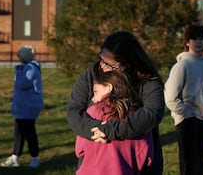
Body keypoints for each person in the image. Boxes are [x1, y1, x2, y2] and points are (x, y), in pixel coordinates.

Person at [66, 31, 165, 175]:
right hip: (96, 164)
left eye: (110, 65)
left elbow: (152, 114)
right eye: (101, 59)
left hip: (136, 164)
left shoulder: (147, 80)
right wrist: (95, 130)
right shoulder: (92, 74)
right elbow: (74, 110)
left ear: (127, 64)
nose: (103, 67)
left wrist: (112, 130)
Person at [164, 24, 203, 175]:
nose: (199, 42)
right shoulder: (181, 66)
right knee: (189, 164)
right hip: (187, 120)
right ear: (187, 42)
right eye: (194, 38)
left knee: (199, 161)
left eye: (202, 39)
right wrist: (186, 113)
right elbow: (170, 97)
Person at [75, 71, 154, 174]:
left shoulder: (92, 113)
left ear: (109, 87)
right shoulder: (137, 117)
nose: (93, 99)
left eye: (96, 92)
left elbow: (79, 151)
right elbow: (148, 156)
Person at [0, 45, 43, 168]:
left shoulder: (30, 68)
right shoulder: (29, 67)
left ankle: (31, 157)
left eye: (20, 55)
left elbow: (22, 84)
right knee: (22, 132)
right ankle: (17, 156)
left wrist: (18, 71)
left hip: (27, 106)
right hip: (24, 105)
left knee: (26, 132)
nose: (18, 57)